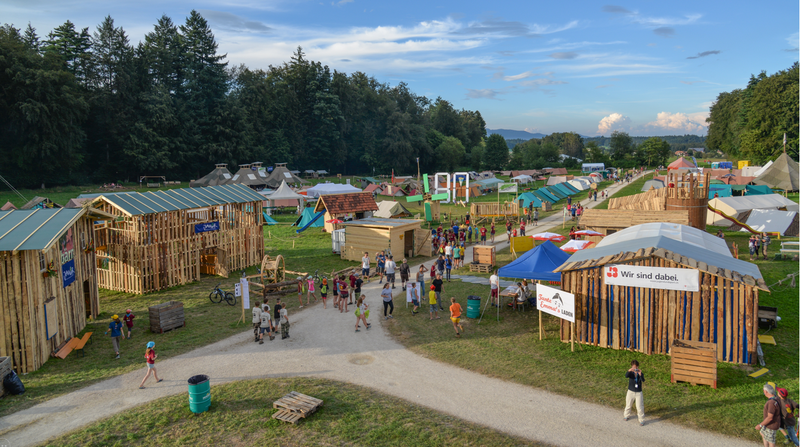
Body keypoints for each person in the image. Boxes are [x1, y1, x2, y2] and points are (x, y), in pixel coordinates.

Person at [757, 383, 782, 447]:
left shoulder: (771, 403)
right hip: (768, 423)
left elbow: (770, 418)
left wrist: (760, 425)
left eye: (763, 390)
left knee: (771, 441)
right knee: (762, 433)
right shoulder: (776, 398)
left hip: (771, 424)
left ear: (765, 391)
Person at [623, 360, 645, 426]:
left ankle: (641, 420)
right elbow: (626, 376)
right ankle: (626, 416)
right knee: (628, 404)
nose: (635, 368)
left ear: (638, 367)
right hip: (630, 391)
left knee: (639, 407)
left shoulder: (640, 373)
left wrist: (640, 374)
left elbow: (643, 380)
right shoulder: (631, 373)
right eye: (633, 367)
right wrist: (629, 370)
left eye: (636, 367)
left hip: (638, 392)